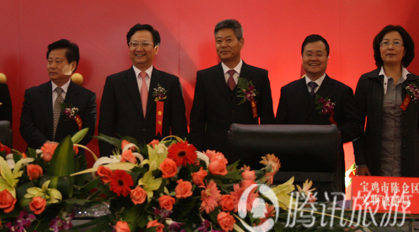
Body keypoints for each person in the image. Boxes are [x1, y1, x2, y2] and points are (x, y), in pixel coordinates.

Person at [353, 25, 419, 203]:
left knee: (410, 214)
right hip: (375, 164)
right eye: (385, 43)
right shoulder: (367, 82)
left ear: (405, 50)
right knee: (376, 215)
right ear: (379, 49)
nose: (390, 47)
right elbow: (356, 127)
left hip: (410, 164)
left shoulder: (417, 83)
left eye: (396, 43)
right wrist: (361, 162)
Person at [276, 34, 362, 193]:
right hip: (295, 164)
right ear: (302, 57)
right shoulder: (288, 91)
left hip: (329, 164)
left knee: (329, 207)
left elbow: (355, 126)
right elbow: (279, 126)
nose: (314, 58)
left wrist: (330, 137)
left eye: (319, 54)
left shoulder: (342, 91)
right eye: (309, 54)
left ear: (327, 58)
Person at [98, 23, 187, 157]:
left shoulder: (170, 83)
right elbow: (106, 128)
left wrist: (180, 159)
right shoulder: (114, 82)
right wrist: (107, 160)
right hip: (125, 158)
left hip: (160, 157)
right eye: (134, 44)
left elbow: (179, 127)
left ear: (156, 49)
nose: (139, 49)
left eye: (145, 44)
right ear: (129, 48)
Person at [189, 19, 274, 156]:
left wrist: (267, 154)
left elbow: (267, 120)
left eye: (228, 40)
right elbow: (197, 121)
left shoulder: (259, 76)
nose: (223, 45)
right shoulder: (205, 77)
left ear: (241, 42)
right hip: (214, 154)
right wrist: (197, 155)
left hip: (250, 151)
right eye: (218, 41)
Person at [20, 39, 96, 148]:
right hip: (38, 154)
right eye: (50, 61)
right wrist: (47, 145)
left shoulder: (87, 97)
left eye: (58, 61)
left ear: (72, 65)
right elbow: (26, 127)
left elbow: (87, 130)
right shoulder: (33, 94)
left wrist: (63, 148)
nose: (52, 66)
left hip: (71, 155)